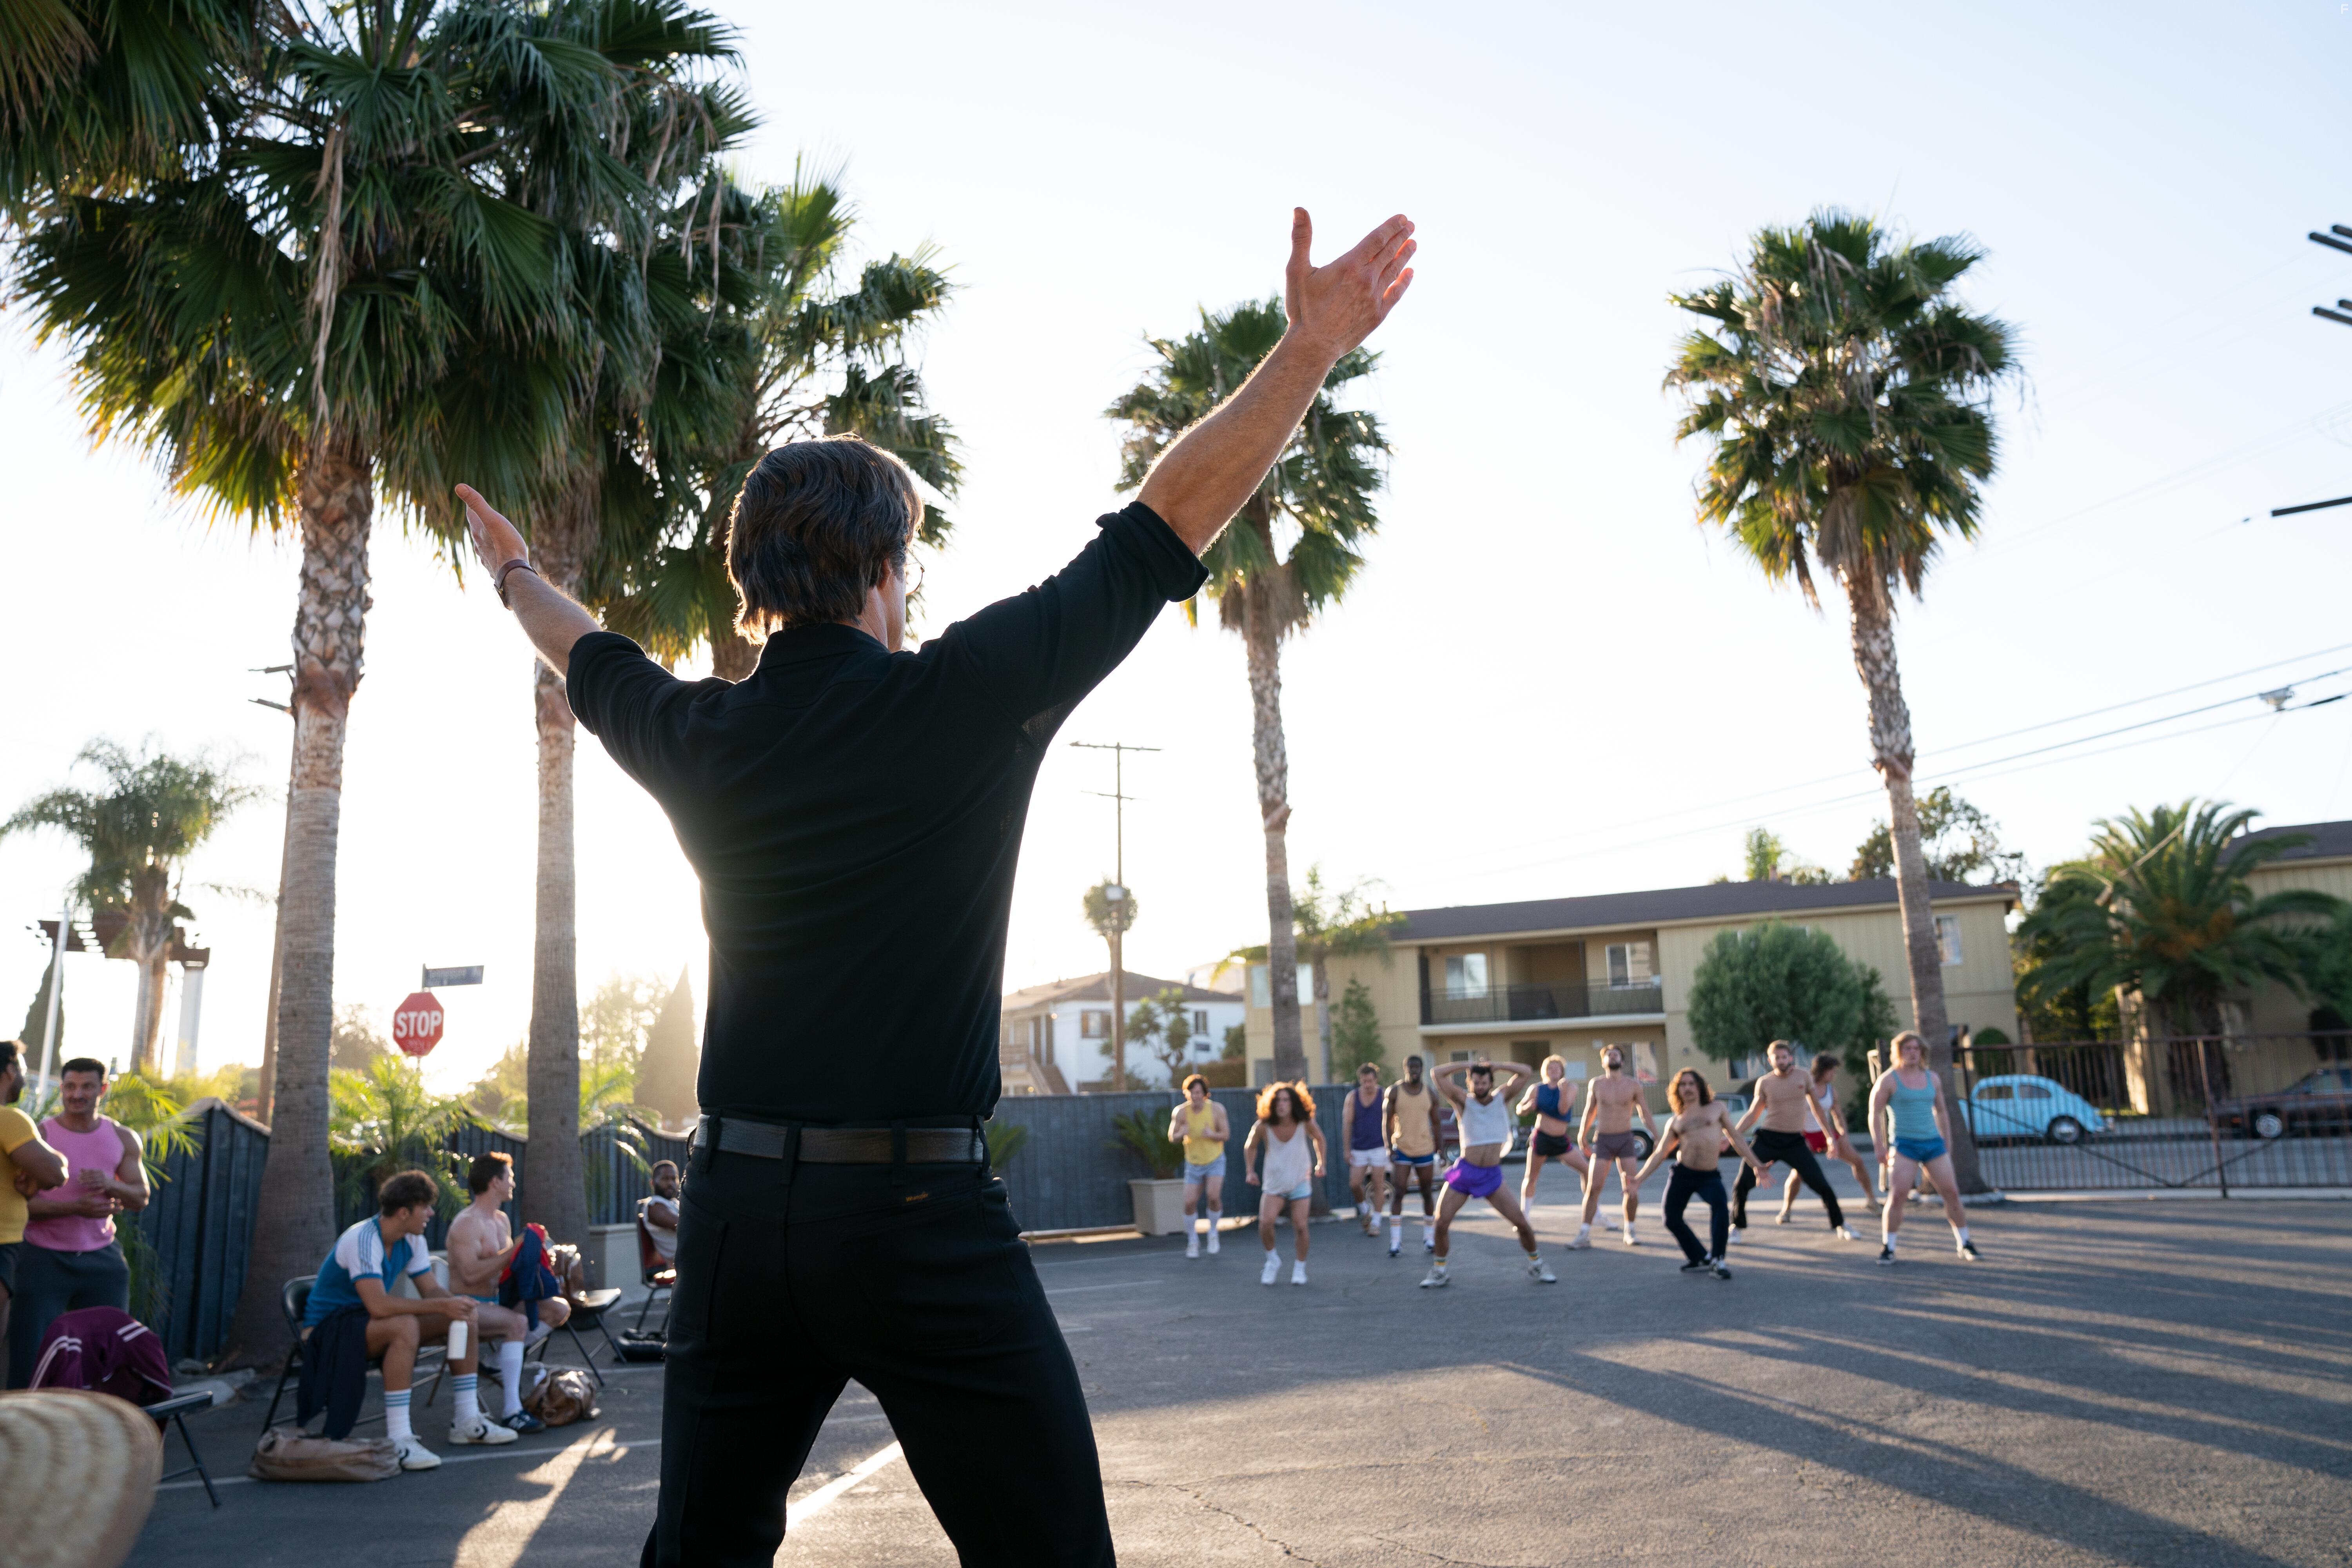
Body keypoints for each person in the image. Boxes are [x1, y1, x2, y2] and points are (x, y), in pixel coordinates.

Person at [457, 205, 1416, 1566]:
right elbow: (1164, 525)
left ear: (756, 585)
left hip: (736, 1213)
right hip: (915, 1217)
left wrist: (508, 571)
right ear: (888, 573)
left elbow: (583, 647)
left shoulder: (697, 734)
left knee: (705, 1548)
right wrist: (1310, 347)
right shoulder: (969, 698)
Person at [307, 1169, 515, 1468]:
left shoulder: (412, 1239)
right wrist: (441, 1308)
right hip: (328, 1331)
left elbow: (430, 1290)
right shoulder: (363, 1238)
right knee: (403, 1326)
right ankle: (399, 1439)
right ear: (404, 1213)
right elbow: (379, 1305)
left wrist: (455, 1304)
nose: (431, 1213)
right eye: (425, 1207)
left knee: (464, 1318)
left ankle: (467, 1421)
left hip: (363, 1323)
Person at [6, 1058, 145, 1387]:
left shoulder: (123, 1138)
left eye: (86, 1087)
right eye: (70, 1086)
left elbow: (140, 1198)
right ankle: (21, 1432)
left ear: (103, 1090)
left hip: (102, 1258)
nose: (76, 1094)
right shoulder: (39, 1135)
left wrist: (111, 1185)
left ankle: (103, 1426)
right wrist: (74, 1207)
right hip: (42, 1257)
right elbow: (21, 1204)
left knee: (108, 1352)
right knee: (30, 1354)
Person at [446, 1151, 572, 1434]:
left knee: (558, 1309)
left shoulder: (501, 1220)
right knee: (517, 1323)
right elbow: (469, 1275)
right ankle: (512, 1411)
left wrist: (536, 1260)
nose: (513, 1183)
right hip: (467, 1305)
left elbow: (508, 1268)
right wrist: (513, 1251)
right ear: (495, 1182)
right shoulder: (467, 1223)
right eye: (510, 1178)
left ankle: (494, 1362)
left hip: (497, 1303)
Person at [1422, 1060, 1555, 1288]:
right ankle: (1439, 1271)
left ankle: (1537, 1264)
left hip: (1491, 1175)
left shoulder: (1502, 1098)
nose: (1480, 1086)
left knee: (1522, 1224)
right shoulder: (1464, 1101)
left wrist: (1496, 1065)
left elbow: (1526, 1070)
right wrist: (1469, 1063)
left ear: (1491, 1082)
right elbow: (1437, 1074)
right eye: (1476, 1082)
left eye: (1484, 1082)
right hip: (1465, 1172)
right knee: (1441, 1223)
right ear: (1470, 1083)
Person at [1630, 1068, 1765, 1280]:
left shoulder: (1717, 1109)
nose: (1687, 1088)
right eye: (1682, 1085)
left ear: (1700, 1087)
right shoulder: (1676, 1120)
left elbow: (1737, 1139)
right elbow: (1660, 1153)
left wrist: (1756, 1164)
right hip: (1683, 1174)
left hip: (1709, 1176)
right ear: (1678, 1091)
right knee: (1671, 1219)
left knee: (1720, 1208)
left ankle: (1717, 1260)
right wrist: (1638, 1179)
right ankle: (1700, 1257)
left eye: (1691, 1083)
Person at [1729, 1041, 1862, 1244]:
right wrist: (1734, 1132)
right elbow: (1754, 1112)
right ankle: (1736, 1227)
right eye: (1777, 1057)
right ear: (1770, 1060)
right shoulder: (1765, 1082)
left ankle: (1841, 1224)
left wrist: (1829, 1137)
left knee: (1822, 1185)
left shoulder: (1803, 1076)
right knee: (1742, 1184)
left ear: (1790, 1058)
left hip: (1795, 1142)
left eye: (1785, 1057)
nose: (1781, 1061)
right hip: (1768, 1138)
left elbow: (1818, 1109)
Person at [1870, 1032, 1982, 1264]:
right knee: (1898, 1195)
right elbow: (1875, 1113)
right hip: (1904, 1146)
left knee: (1951, 1193)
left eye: (1916, 1049)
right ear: (1898, 1052)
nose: (1912, 1053)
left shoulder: (1933, 1078)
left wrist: (1947, 1141)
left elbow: (1941, 1111)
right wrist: (1880, 1146)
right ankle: (1888, 1247)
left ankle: (1965, 1243)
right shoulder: (1889, 1080)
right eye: (1907, 1049)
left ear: (1922, 1053)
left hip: (1933, 1144)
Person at [0, 1040, 68, 1389]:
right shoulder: (8, 1119)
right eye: (24, 1070)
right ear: (10, 1071)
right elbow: (55, 1173)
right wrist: (57, 1163)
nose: (24, 1079)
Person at [1241, 1083, 1327, 1286]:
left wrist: (1321, 1163)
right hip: (1274, 1184)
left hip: (1300, 1181)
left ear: (1294, 1103)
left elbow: (1320, 1139)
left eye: (1286, 1100)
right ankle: (1272, 1261)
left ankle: (1300, 1268)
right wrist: (1250, 1171)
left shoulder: (1305, 1122)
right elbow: (1250, 1147)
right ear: (1271, 1103)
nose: (1282, 1104)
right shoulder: (1263, 1126)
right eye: (1278, 1100)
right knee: (1266, 1222)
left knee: (1300, 1225)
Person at [1572, 1044, 1656, 1249]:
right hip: (1604, 1141)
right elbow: (1589, 1111)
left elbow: (1645, 1113)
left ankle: (1630, 1230)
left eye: (1615, 1054)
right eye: (1608, 1055)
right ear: (1604, 1062)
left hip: (1625, 1139)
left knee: (1631, 1188)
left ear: (1622, 1061)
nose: (1612, 1057)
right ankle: (1584, 1234)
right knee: (1594, 1188)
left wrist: (1659, 1137)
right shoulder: (1597, 1084)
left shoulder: (1634, 1085)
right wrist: (1582, 1135)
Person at [1777, 1056, 1880, 1222]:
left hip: (1826, 1133)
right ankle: (1786, 1210)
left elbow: (1838, 1115)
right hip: (1804, 1134)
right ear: (1823, 1071)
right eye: (1832, 1070)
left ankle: (1871, 1200)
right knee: (1798, 1173)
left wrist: (1844, 1135)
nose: (1834, 1074)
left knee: (1858, 1161)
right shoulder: (1803, 1087)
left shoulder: (1831, 1091)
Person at [1515, 1056, 1590, 1215]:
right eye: (1551, 1067)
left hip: (1560, 1140)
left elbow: (1563, 1110)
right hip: (1542, 1138)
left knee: (1587, 1170)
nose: (1554, 1070)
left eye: (1557, 1067)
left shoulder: (1571, 1087)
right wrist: (1528, 1106)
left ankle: (1594, 1212)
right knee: (1531, 1177)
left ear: (1562, 1071)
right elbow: (1519, 1110)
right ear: (1545, 1071)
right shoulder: (1537, 1089)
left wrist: (1562, 1091)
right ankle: (1525, 1217)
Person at [1383, 1054, 1441, 1258]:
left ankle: (1429, 1238)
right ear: (1405, 1068)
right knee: (1399, 1191)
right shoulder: (1395, 1092)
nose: (1414, 1070)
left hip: (1425, 1149)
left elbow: (1437, 1123)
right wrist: (1389, 1147)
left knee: (1427, 1191)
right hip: (1403, 1148)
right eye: (1411, 1067)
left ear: (1422, 1069)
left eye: (1417, 1067)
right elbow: (1387, 1121)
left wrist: (1440, 1149)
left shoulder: (1430, 1094)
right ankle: (1396, 1242)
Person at [1165, 1076, 1230, 1258]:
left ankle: (1213, 1233)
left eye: (1199, 1093)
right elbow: (1172, 1137)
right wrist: (1181, 1133)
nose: (1196, 1096)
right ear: (1187, 1094)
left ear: (1205, 1094)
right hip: (1193, 1163)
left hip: (1215, 1160)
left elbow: (1226, 1134)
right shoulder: (1181, 1112)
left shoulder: (1217, 1110)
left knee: (1213, 1197)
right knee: (1189, 1202)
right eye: (1192, 1093)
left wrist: (1212, 1135)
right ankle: (1193, 1241)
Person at [1343, 1063, 1392, 1236]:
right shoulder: (1353, 1097)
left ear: (1376, 1080)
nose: (1368, 1085)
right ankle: (1365, 1211)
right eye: (1364, 1082)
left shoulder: (1384, 1094)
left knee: (1379, 1184)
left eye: (1370, 1081)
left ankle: (1376, 1223)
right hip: (1359, 1147)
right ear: (1360, 1081)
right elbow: (1347, 1124)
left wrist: (1391, 1146)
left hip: (1379, 1146)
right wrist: (1347, 1149)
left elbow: (1393, 1121)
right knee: (1355, 1184)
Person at [642, 1159, 683, 1261]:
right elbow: (684, 1226)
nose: (670, 1183)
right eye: (665, 1179)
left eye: (674, 1179)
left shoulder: (674, 1203)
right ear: (653, 1183)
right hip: (684, 1262)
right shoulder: (654, 1205)